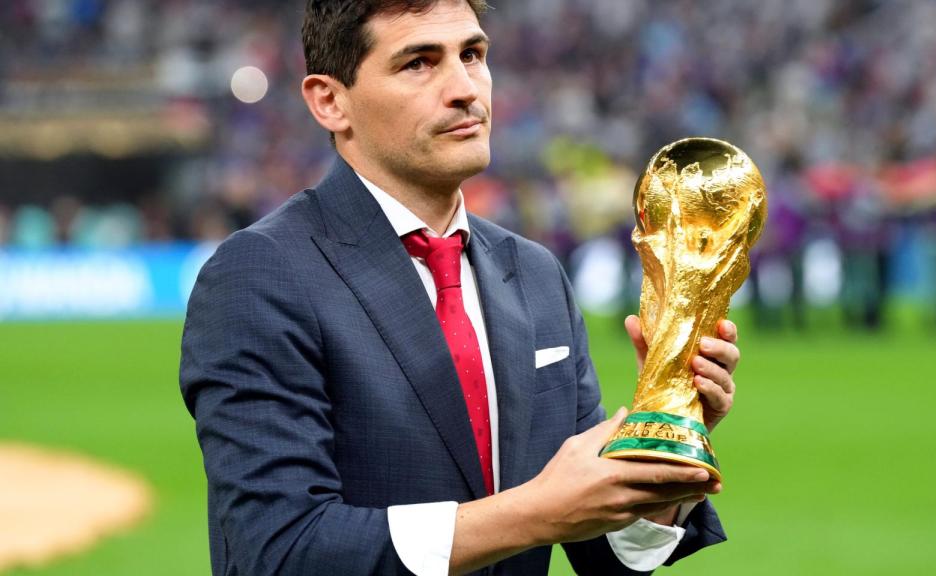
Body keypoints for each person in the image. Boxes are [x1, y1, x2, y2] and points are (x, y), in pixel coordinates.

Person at [179, 1, 742, 574]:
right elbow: (278, 551)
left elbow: (606, 553)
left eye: (472, 55)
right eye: (419, 63)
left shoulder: (535, 274)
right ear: (330, 101)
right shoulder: (263, 273)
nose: (464, 89)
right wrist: (536, 512)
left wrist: (668, 431)